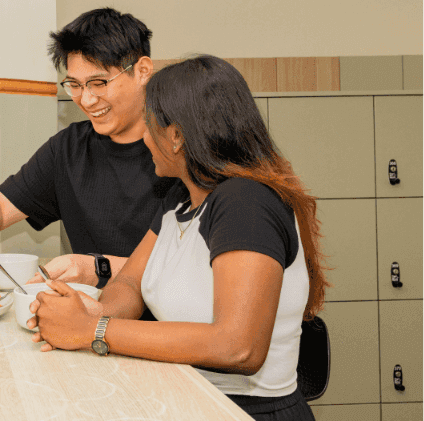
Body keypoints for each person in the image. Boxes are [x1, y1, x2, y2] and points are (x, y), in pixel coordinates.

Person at [31, 55, 328, 420]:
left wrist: (92, 329)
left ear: (175, 137)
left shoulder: (245, 204)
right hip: (185, 396)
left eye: (148, 124)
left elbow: (239, 348)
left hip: (243, 411)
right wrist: (89, 312)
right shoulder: (179, 198)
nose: (141, 137)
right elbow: (130, 282)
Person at [0, 7, 175, 289]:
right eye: (74, 85)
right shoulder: (69, 149)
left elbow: (193, 269)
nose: (86, 99)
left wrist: (98, 268)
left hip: (167, 324)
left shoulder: (182, 149)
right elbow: (1, 205)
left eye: (98, 83)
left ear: (142, 71)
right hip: (86, 315)